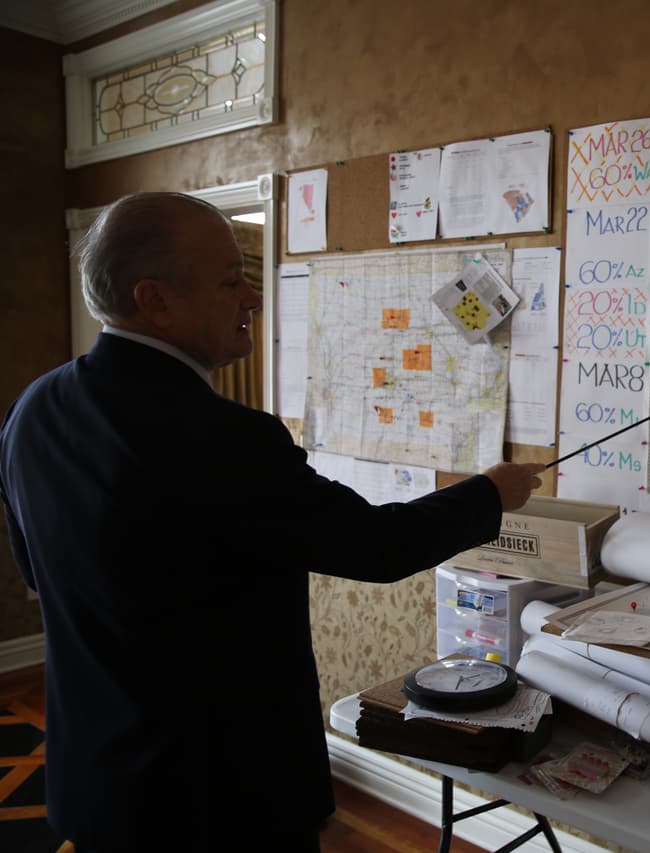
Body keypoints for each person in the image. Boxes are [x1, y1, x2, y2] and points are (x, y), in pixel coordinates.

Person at [0, 192, 545, 851]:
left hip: (99, 785)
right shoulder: (224, 438)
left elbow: (36, 574)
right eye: (231, 281)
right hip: (220, 800)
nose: (253, 299)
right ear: (156, 301)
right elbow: (376, 546)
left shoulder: (34, 410)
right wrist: (491, 492)